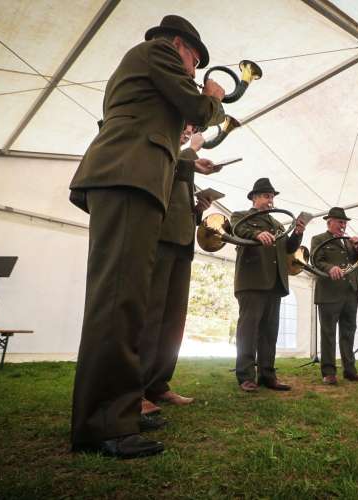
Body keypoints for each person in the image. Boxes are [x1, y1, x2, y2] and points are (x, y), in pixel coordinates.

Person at [68, 15, 226, 459]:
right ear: (180, 44)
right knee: (118, 301)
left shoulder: (146, 66)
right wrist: (212, 98)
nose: (193, 72)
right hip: (128, 178)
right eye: (194, 61)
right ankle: (105, 425)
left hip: (133, 179)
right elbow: (198, 108)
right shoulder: (158, 52)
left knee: (127, 301)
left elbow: (165, 124)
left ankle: (115, 412)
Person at [139, 126, 215, 416]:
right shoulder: (165, 153)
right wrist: (193, 149)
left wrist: (198, 208)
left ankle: (158, 384)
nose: (187, 133)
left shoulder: (181, 161)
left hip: (182, 244)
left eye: (191, 132)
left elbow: (176, 201)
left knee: (173, 320)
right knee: (151, 315)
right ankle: (137, 389)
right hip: (160, 240)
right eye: (184, 129)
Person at [231, 178, 305, 392]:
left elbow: (288, 248)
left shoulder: (277, 224)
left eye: (272, 196)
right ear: (254, 197)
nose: (270, 200)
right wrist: (255, 233)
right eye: (266, 196)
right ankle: (245, 376)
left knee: (269, 331)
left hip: (274, 282)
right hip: (252, 281)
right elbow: (236, 231)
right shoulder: (241, 216)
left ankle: (267, 374)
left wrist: (298, 233)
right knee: (249, 330)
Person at [310, 207, 358, 385]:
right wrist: (330, 268)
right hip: (329, 293)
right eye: (339, 222)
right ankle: (329, 372)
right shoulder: (318, 239)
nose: (343, 225)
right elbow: (315, 260)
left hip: (350, 293)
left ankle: (350, 371)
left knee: (348, 333)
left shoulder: (350, 242)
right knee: (328, 333)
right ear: (329, 222)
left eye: (344, 222)